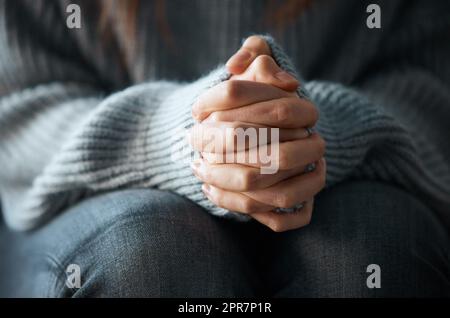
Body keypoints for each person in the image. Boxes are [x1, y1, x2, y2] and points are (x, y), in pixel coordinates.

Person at [0, 0, 449, 297]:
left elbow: (429, 85)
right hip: (82, 196)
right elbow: (18, 110)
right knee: (148, 257)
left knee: (368, 256)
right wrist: (182, 137)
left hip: (354, 179)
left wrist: (311, 131)